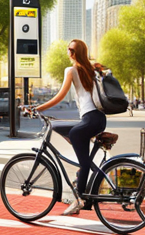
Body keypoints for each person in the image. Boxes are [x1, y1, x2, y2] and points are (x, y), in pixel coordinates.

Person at [34, 39, 106, 216]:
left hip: (90, 118)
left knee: (75, 136)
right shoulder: (91, 69)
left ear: (75, 53)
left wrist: (40, 107)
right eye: (68, 49)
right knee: (73, 132)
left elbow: (61, 94)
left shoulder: (72, 70)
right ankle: (83, 173)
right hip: (99, 119)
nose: (69, 52)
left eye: (71, 49)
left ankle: (79, 199)